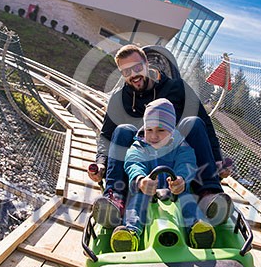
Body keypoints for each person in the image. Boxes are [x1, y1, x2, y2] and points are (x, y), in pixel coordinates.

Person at [87, 44, 231, 228]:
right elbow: (106, 136)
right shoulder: (119, 99)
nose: (134, 75)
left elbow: (206, 125)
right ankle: (115, 199)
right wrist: (100, 163)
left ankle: (209, 194)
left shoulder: (176, 88)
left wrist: (217, 158)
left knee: (193, 122)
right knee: (123, 129)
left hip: (176, 154)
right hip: (139, 157)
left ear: (147, 64)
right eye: (126, 71)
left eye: (137, 68)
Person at [110, 98, 220, 252]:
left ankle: (197, 228)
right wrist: (141, 180)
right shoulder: (140, 146)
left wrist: (182, 179)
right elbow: (133, 162)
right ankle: (131, 233)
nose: (153, 136)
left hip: (175, 190)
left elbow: (187, 163)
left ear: (171, 130)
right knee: (136, 203)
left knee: (187, 200)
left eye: (160, 130)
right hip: (147, 190)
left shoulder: (180, 145)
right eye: (149, 130)